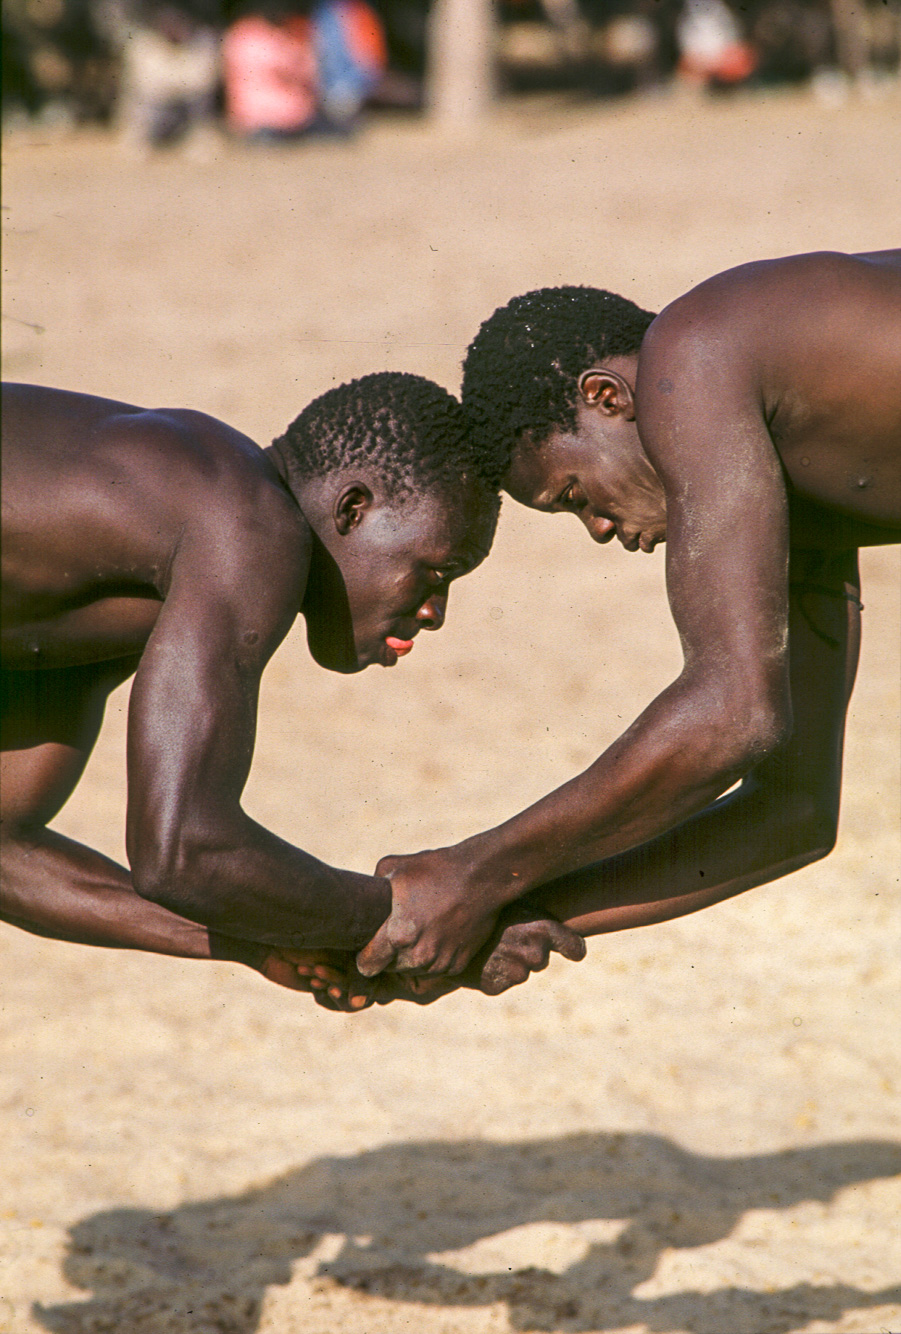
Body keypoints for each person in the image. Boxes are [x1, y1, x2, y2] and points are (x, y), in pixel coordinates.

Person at [354, 250, 900, 986]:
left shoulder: (696, 350)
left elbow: (731, 715)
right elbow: (792, 812)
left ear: (607, 398)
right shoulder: (788, 491)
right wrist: (505, 908)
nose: (601, 532)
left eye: (574, 495)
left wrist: (472, 876)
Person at [1, 373, 585, 1008]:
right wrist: (411, 921)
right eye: (434, 571)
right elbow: (182, 852)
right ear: (353, 508)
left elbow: (6, 850)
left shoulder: (134, 568)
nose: (435, 612)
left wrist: (267, 942)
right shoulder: (248, 524)